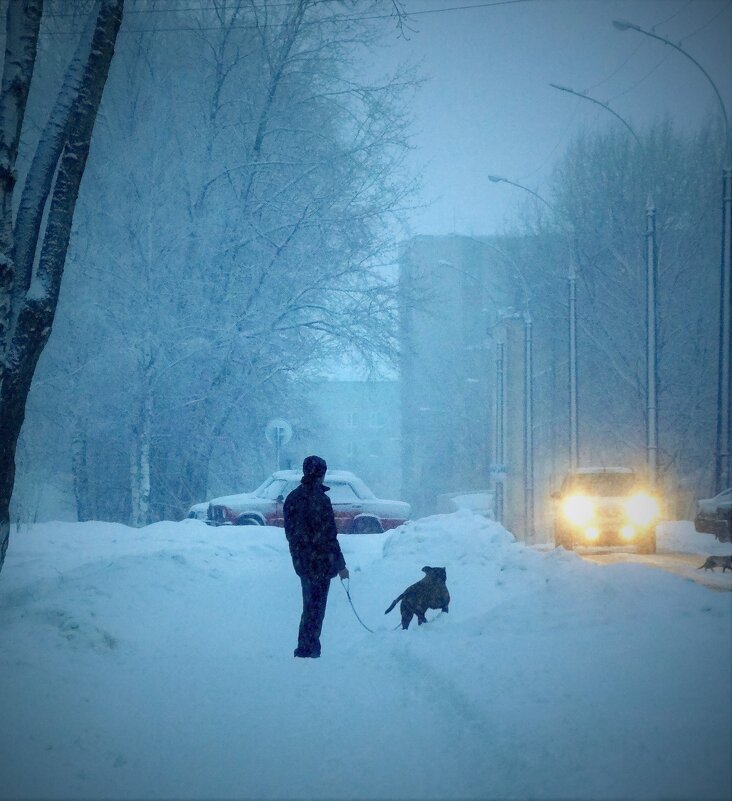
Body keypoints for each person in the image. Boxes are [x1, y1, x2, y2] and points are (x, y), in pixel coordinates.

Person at [284, 455, 349, 658]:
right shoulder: (321, 500)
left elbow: (290, 533)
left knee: (309, 604)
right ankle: (310, 647)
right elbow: (330, 536)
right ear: (320, 474)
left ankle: (306, 645)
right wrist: (340, 566)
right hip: (321, 563)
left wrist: (300, 552)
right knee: (317, 607)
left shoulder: (292, 498)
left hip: (302, 562)